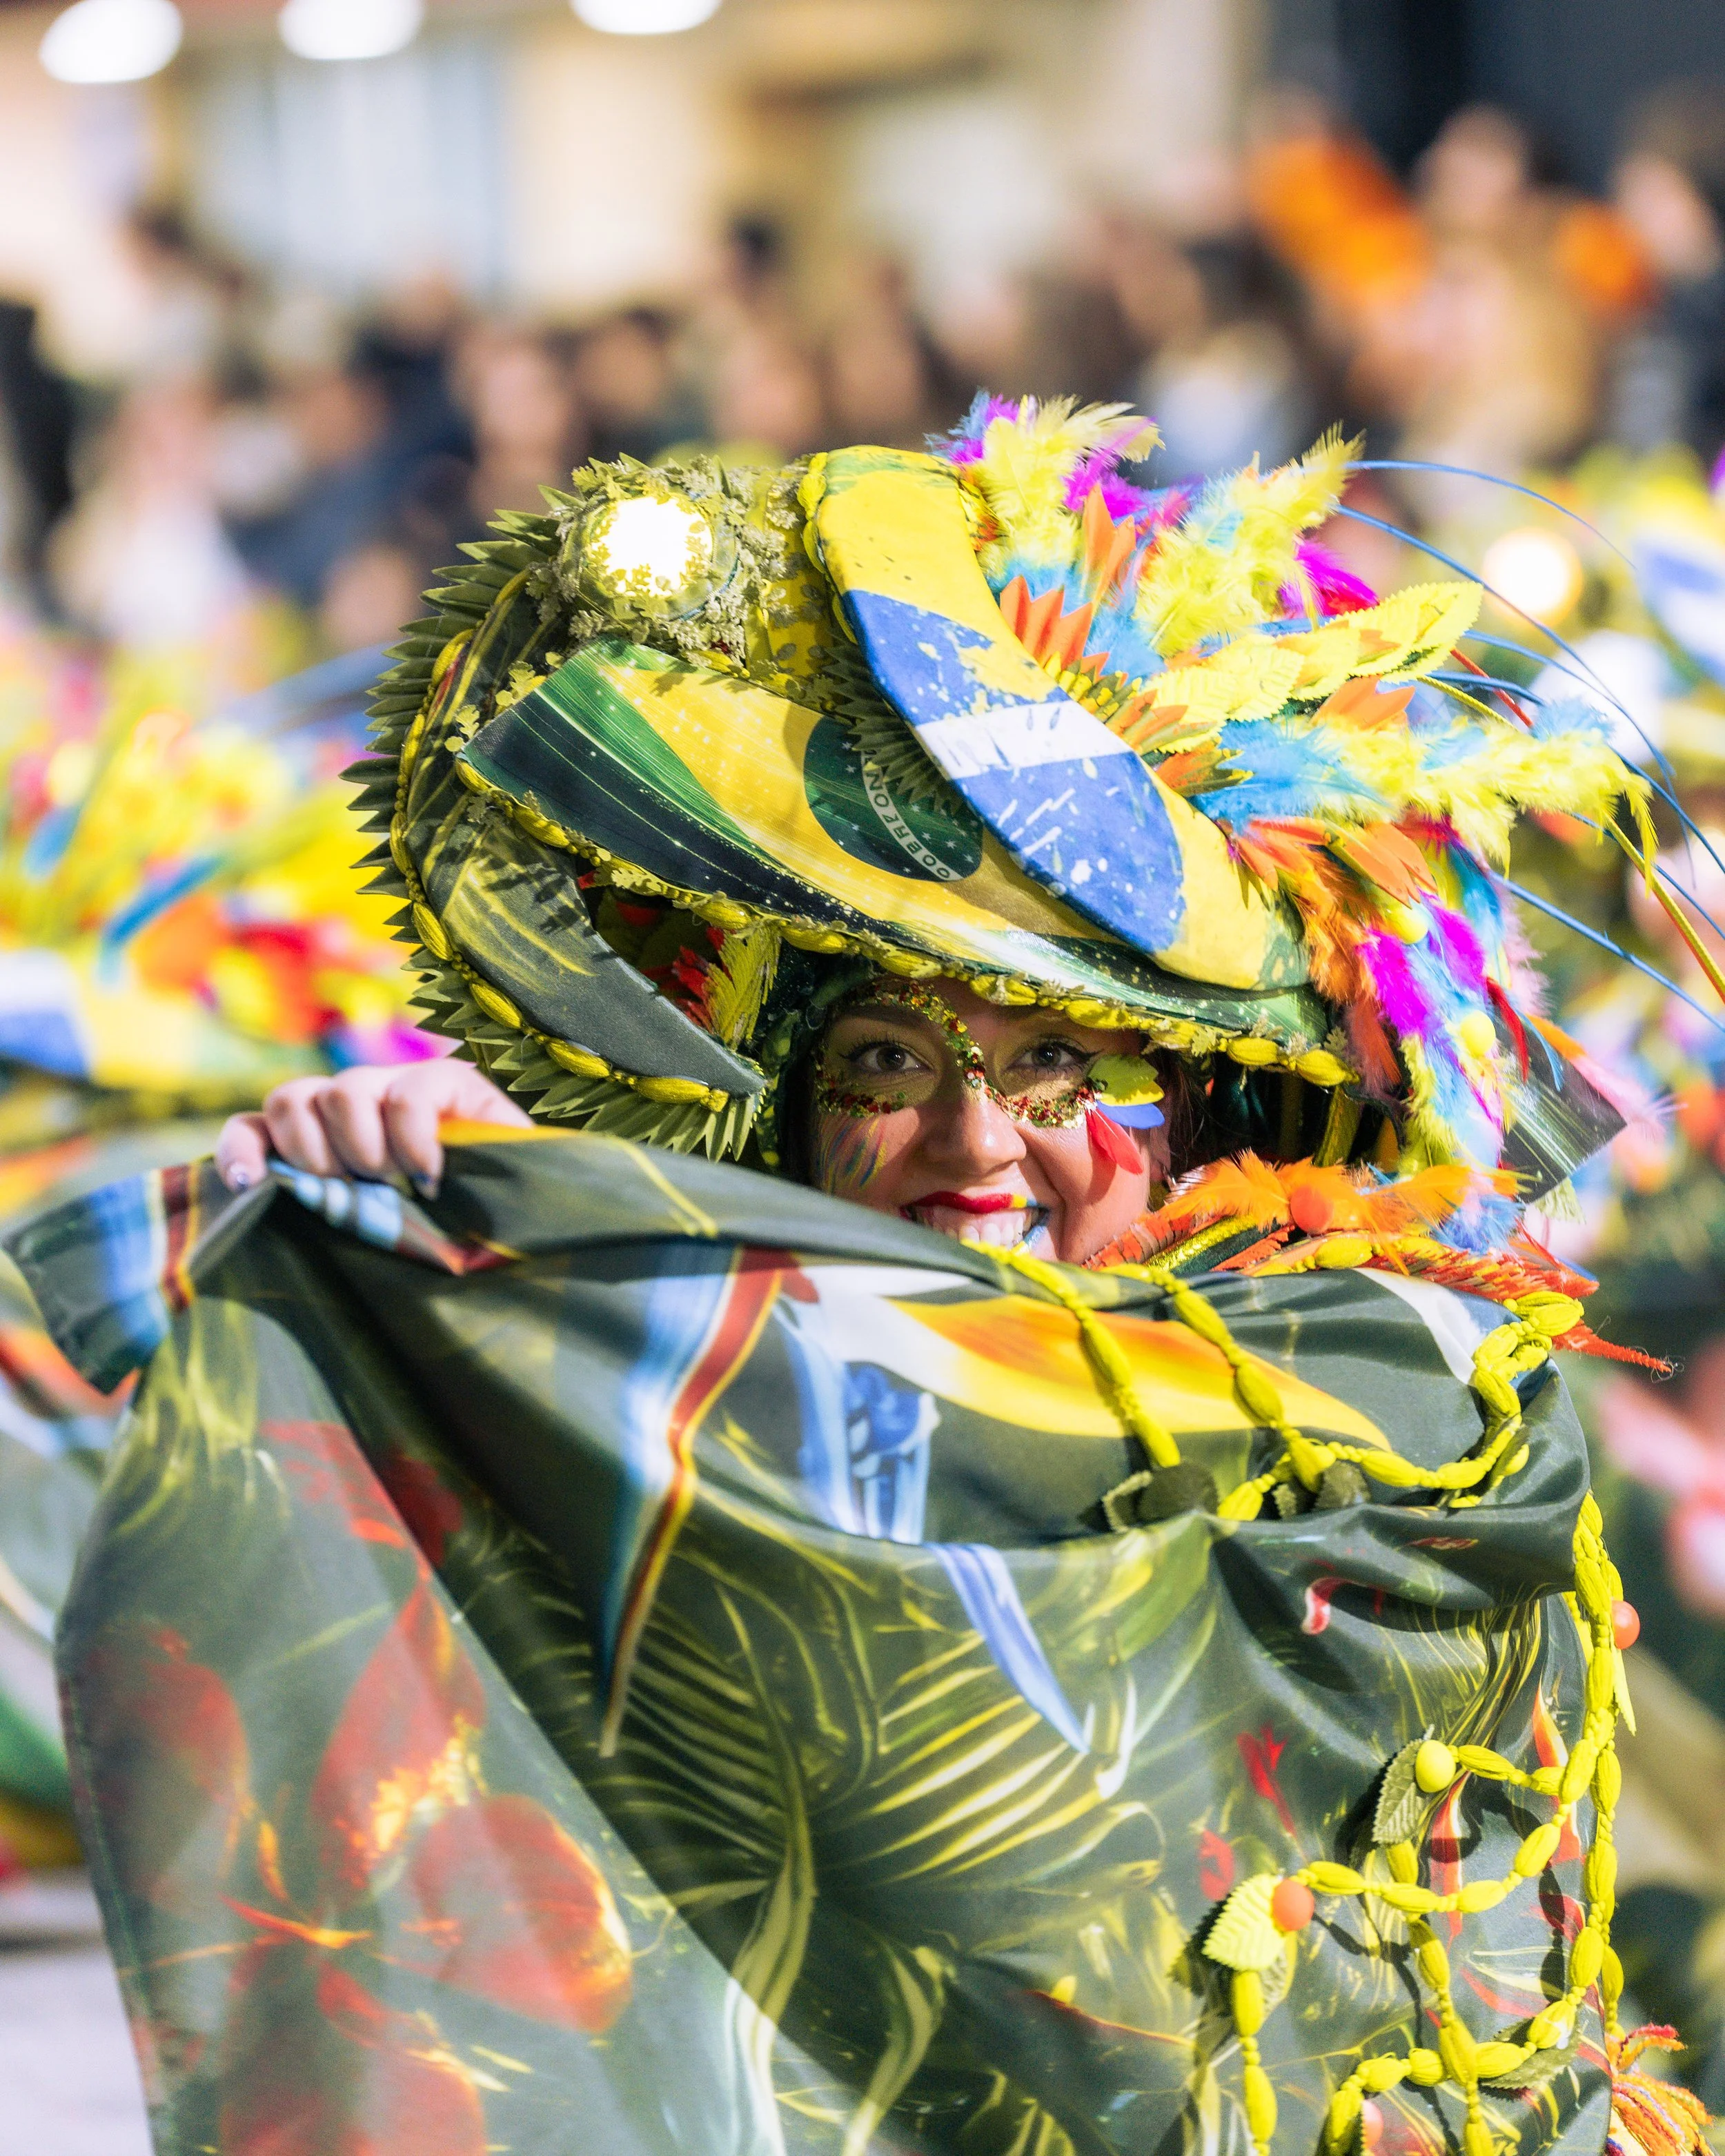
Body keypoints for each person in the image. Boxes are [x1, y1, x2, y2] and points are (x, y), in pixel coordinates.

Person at [25, 397, 1715, 2156]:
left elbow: (963, 1393)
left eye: (1067, 1063)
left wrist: (567, 1213)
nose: (976, 1142)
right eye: (888, 1065)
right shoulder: (706, 1416)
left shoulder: (1394, 1350)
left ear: (1210, 1100)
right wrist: (421, 1235)